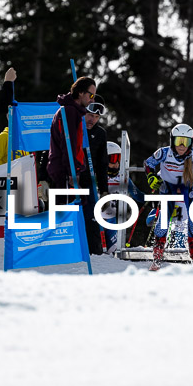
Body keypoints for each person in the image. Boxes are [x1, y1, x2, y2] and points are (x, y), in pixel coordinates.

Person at [144, 124, 193, 271]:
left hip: (189, 190)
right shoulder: (164, 152)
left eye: (185, 142)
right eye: (178, 141)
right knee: (162, 224)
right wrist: (151, 177)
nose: (181, 145)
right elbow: (148, 163)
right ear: (172, 141)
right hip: (168, 189)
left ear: (191, 143)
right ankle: (157, 258)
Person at [46, 77, 96, 196]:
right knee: (68, 211)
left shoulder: (74, 111)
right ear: (80, 93)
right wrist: (73, 172)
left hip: (67, 170)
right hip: (65, 172)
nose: (92, 100)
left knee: (77, 208)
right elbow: (68, 143)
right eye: (91, 96)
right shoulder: (70, 112)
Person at [100, 141, 146, 254]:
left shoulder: (123, 177)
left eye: (118, 159)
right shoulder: (96, 176)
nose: (116, 164)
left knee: (113, 253)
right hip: (96, 220)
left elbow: (137, 195)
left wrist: (151, 198)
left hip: (112, 222)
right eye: (112, 159)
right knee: (97, 252)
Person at [79, 100, 110, 255]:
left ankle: (94, 252)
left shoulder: (100, 133)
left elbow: (102, 164)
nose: (92, 120)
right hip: (70, 179)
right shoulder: (72, 126)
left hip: (88, 181)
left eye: (96, 117)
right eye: (89, 115)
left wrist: (104, 190)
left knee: (91, 216)